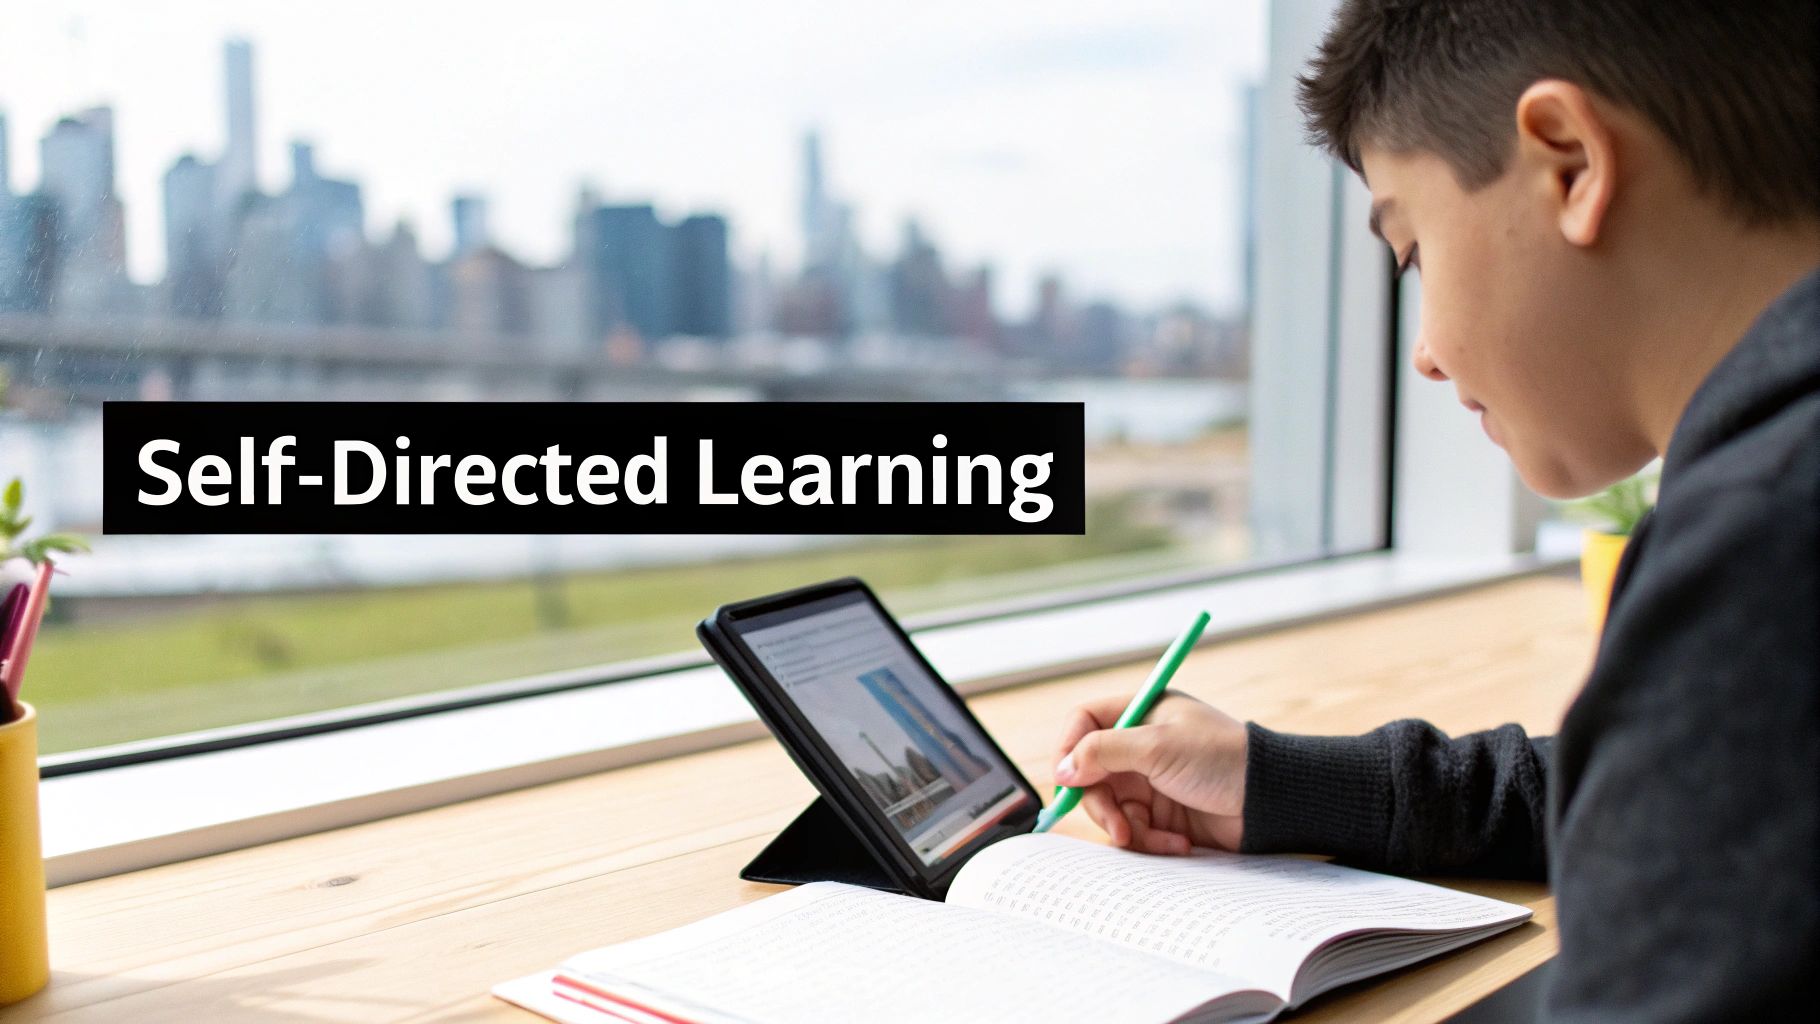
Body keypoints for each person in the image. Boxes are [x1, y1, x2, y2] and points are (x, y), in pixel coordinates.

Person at [1051, 1, 1819, 1018]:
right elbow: (1684, 799)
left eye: (1410, 252)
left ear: (1569, 163)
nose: (1422, 351)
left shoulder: (1764, 558)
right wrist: (1280, 781)